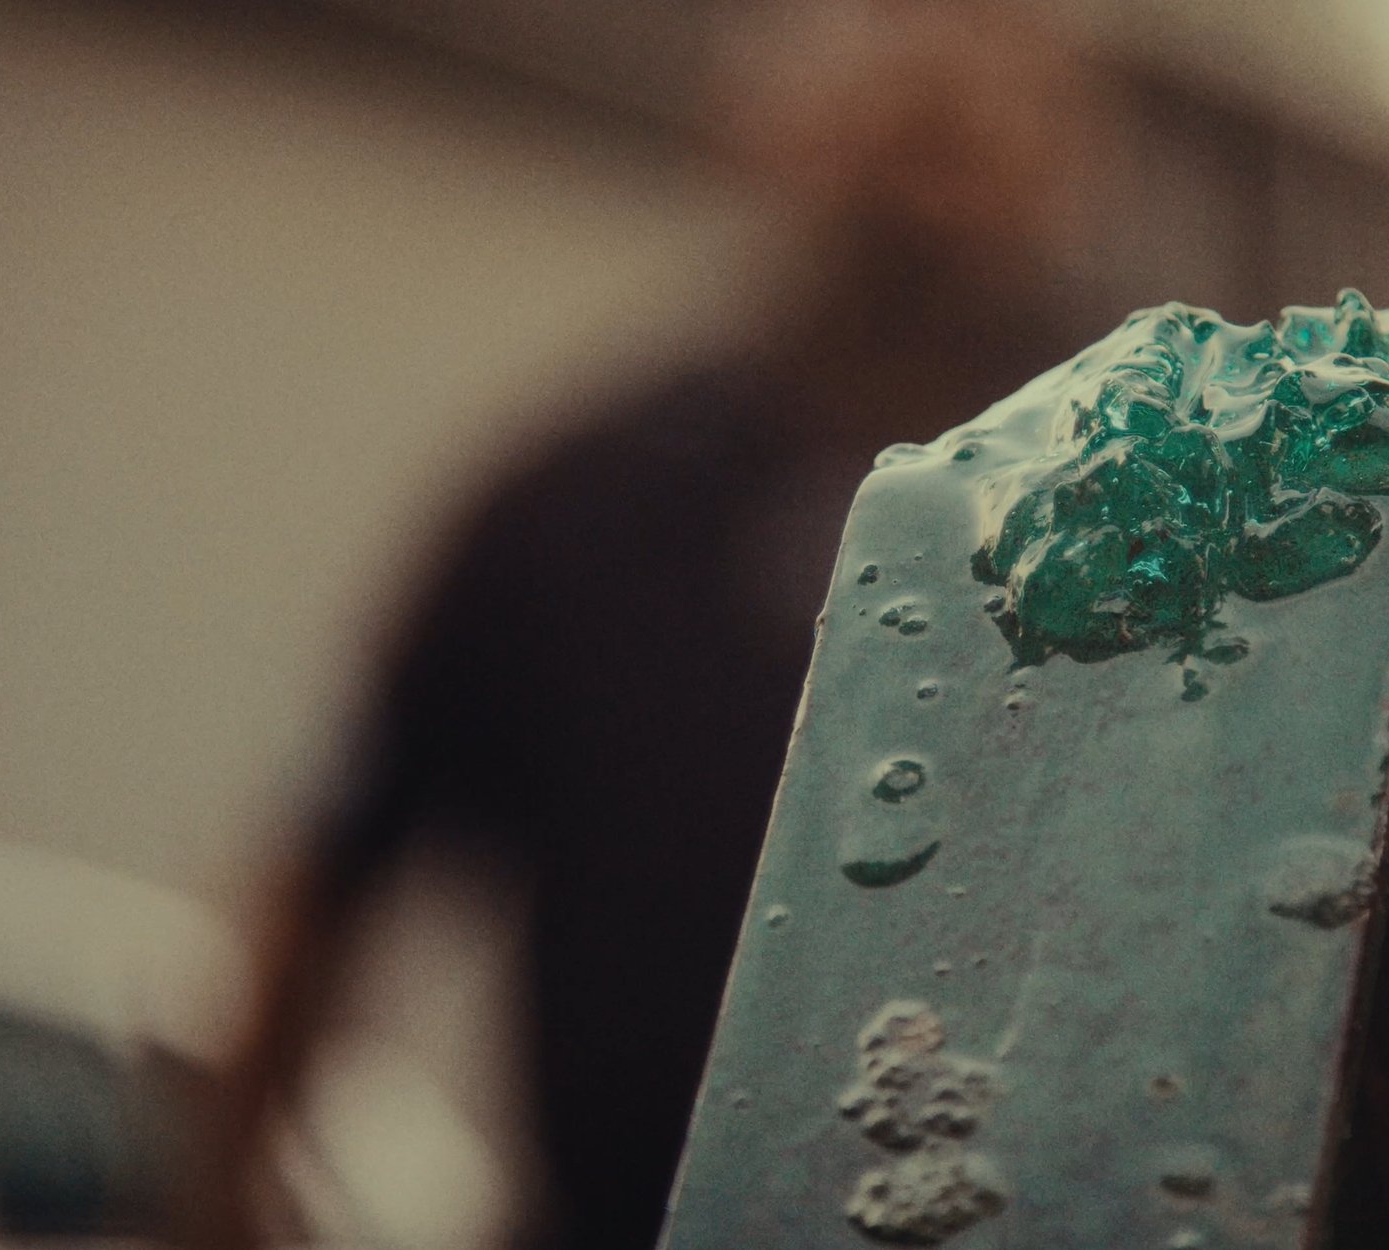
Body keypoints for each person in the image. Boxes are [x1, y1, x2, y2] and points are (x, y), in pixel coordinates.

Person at [222, 5, 1123, 1247]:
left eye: (967, 128)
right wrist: (214, 1195)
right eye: (887, 123)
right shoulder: (579, 500)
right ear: (756, 123)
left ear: (1066, 148)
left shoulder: (1165, 515)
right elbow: (324, 876)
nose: (924, 196)